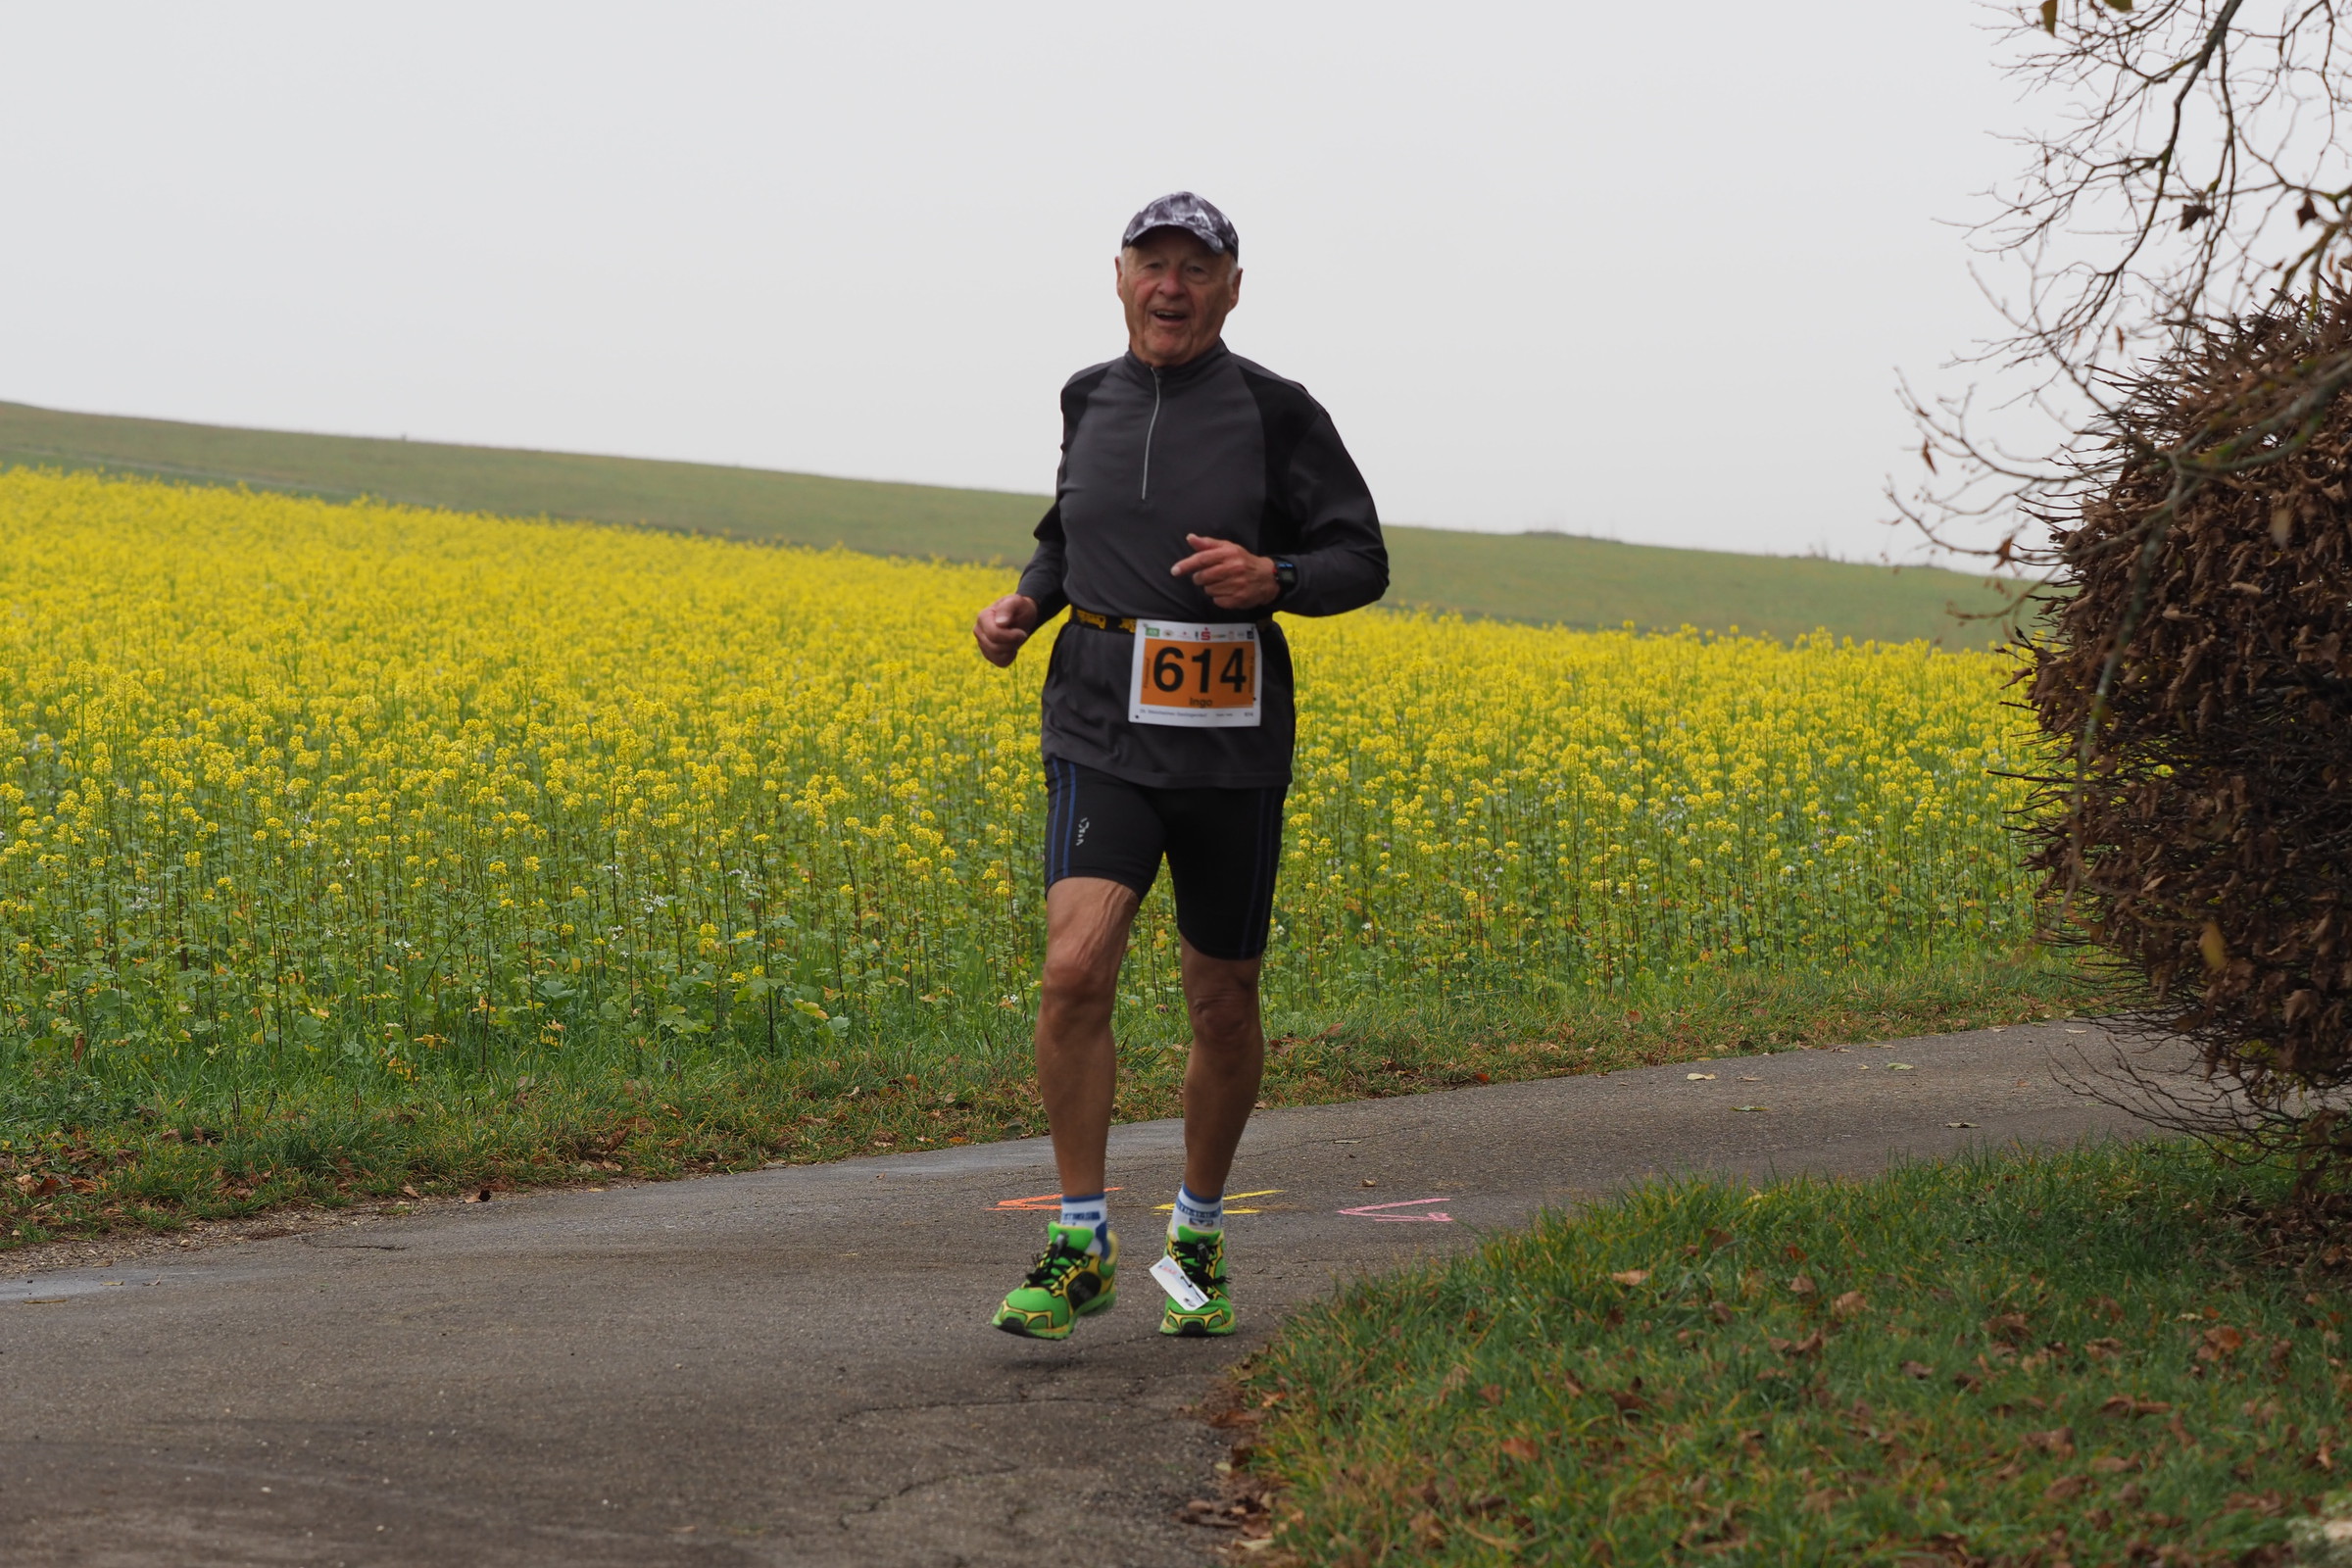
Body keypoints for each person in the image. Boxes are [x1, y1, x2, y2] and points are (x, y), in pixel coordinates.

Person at [972, 192, 1389, 1340]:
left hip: (1230, 749)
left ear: (1232, 289)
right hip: (1100, 727)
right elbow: (1066, 533)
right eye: (1152, 264)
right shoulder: (1086, 397)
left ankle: (1196, 1236)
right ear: (1117, 276)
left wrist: (1277, 579)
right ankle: (1081, 1245)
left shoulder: (1278, 411)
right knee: (1074, 970)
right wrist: (1028, 603)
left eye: (1195, 270)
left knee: (1222, 998)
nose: (1171, 287)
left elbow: (1361, 556)